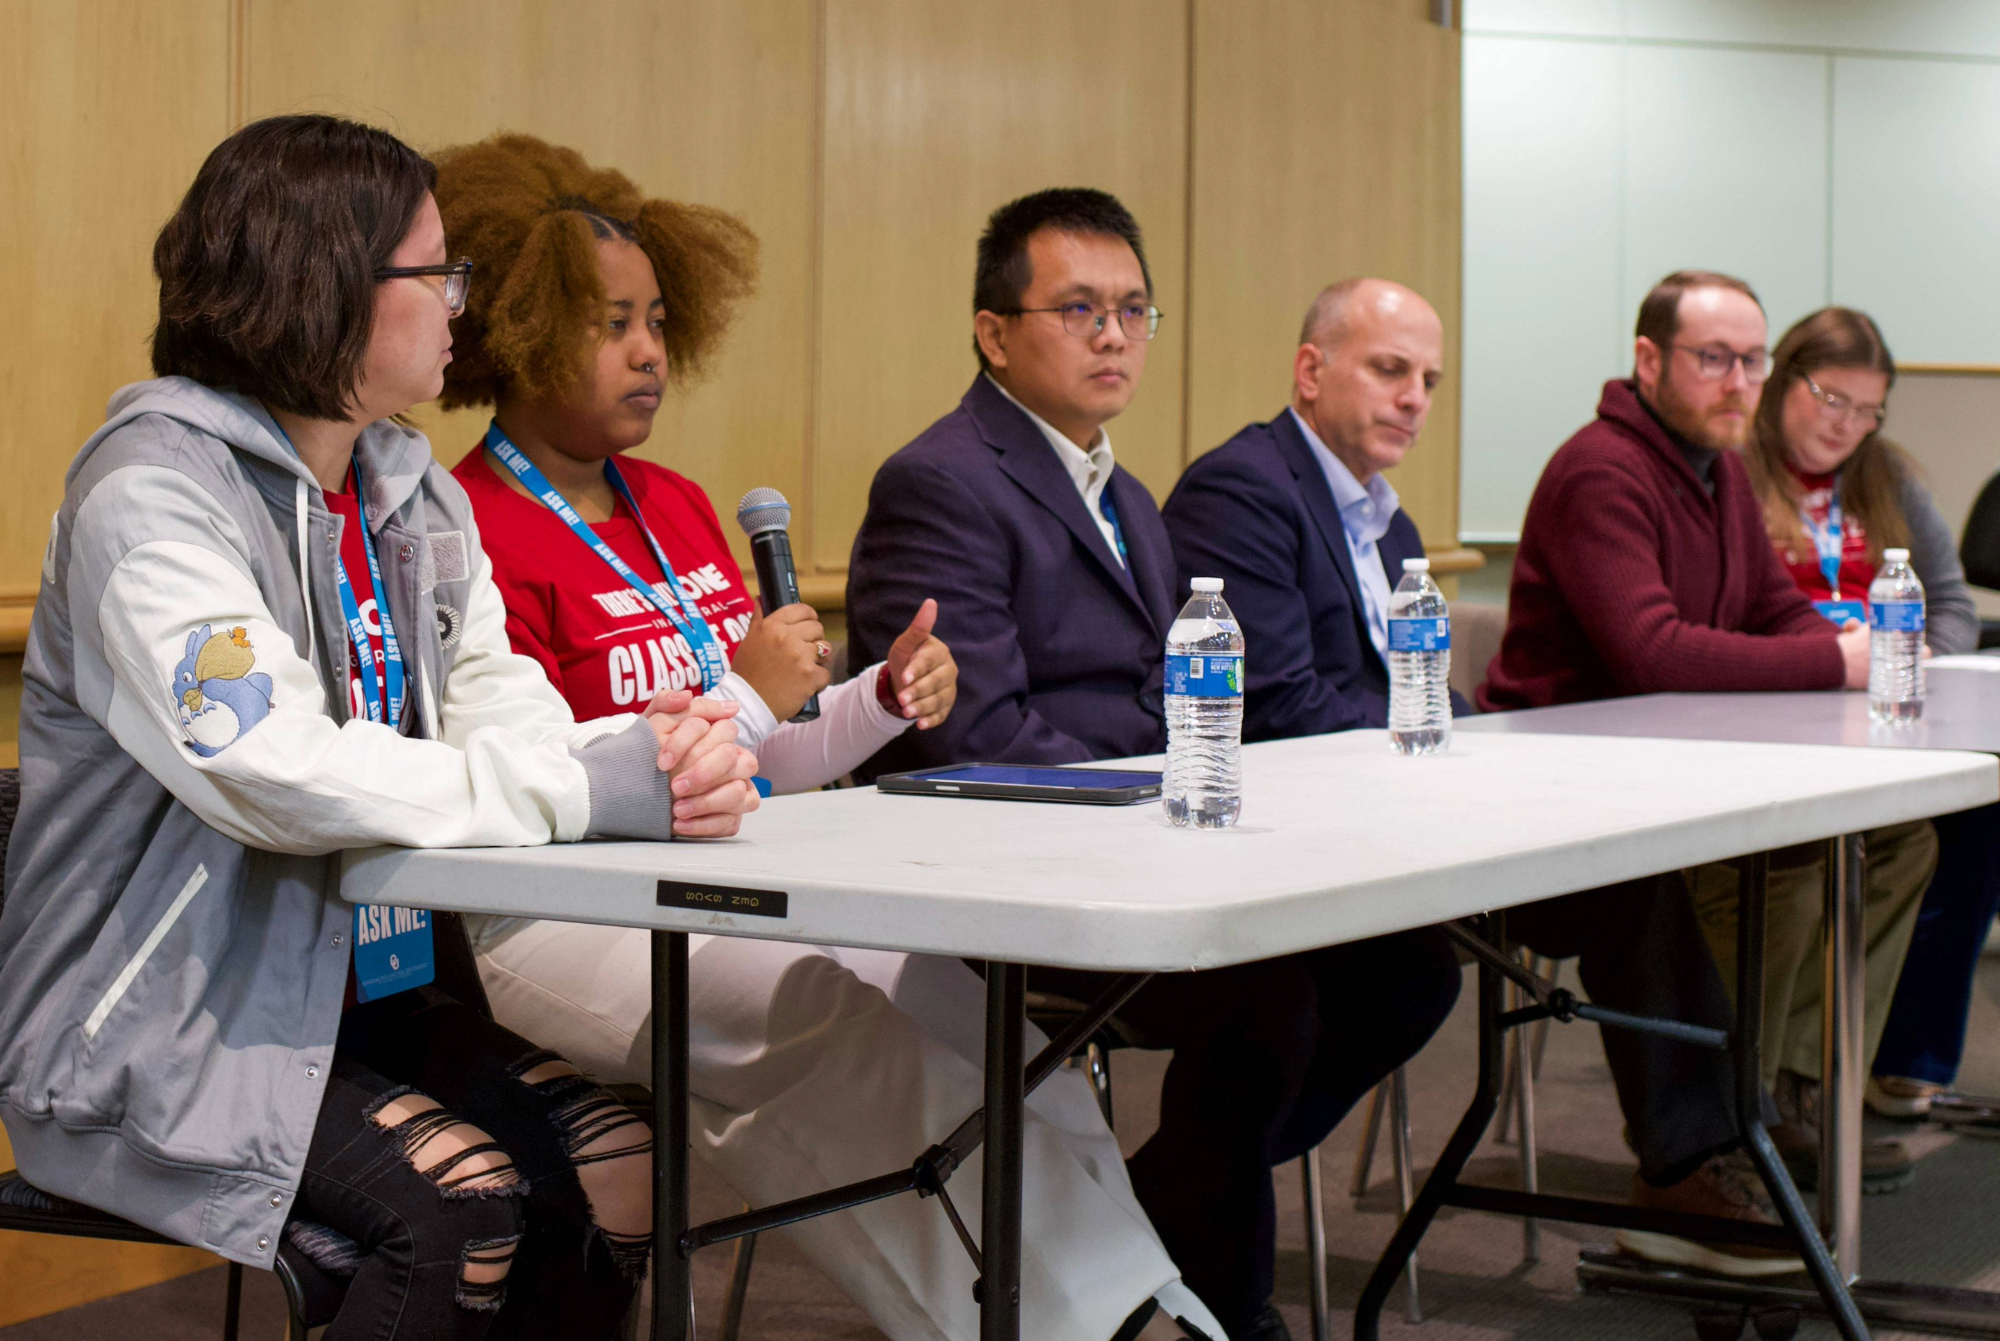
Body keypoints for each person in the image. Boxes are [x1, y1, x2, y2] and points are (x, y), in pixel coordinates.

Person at [430, 136, 1219, 1341]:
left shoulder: (679, 506)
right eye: (609, 325)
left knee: (998, 1042)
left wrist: (872, 703)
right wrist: (744, 693)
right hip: (567, 906)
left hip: (731, 867)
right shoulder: (469, 525)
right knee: (837, 1034)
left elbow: (768, 759)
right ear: (521, 330)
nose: (648, 353)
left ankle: (1140, 1304)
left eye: (655, 320)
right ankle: (1083, 1330)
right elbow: (565, 784)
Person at [0, 116, 761, 1341]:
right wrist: (583, 792)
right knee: (458, 1209)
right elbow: (272, 770)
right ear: (328, 287)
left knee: (621, 1166)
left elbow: (499, 705)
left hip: (367, 994)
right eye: (438, 273)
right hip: (164, 1030)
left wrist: (637, 755)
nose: (464, 303)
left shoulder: (411, 487)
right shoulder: (150, 497)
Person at [846, 190, 1461, 1341]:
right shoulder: (942, 482)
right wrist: (1160, 800)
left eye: (1132, 309)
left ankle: (1135, 1217)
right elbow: (973, 742)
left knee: (1407, 966)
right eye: (1076, 309)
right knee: (1265, 998)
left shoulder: (1126, 492)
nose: (1113, 334)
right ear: (993, 332)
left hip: (1141, 842)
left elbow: (1180, 703)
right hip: (1006, 868)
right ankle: (1227, 1310)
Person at [1482, 271, 1937, 1273]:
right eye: (1712, 359)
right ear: (1648, 362)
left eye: (1750, 360)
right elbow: (1653, 651)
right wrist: (1836, 661)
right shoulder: (1599, 471)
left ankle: (1778, 1088)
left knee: (1902, 836)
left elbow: (1769, 611)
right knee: (1772, 862)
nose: (1737, 382)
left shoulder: (1716, 469)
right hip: (1560, 790)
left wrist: (1836, 643)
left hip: (1671, 766)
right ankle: (1704, 1146)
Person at [1736, 306, 1994, 1125]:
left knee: (1976, 825)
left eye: (1868, 409)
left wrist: (1917, 655)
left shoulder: (1889, 476)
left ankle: (1899, 1058)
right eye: (1832, 399)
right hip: (1773, 714)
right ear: (1783, 382)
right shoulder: (1729, 476)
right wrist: (1821, 658)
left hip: (1885, 713)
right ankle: (1799, 1083)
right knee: (1861, 852)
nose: (1849, 424)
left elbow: (1951, 605)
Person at [1161, 277, 1469, 736]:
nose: (1415, 399)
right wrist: (1420, 743)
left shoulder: (1393, 524)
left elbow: (1424, 691)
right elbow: (1278, 700)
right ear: (1310, 372)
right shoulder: (1240, 492)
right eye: (1389, 369)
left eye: (1429, 381)